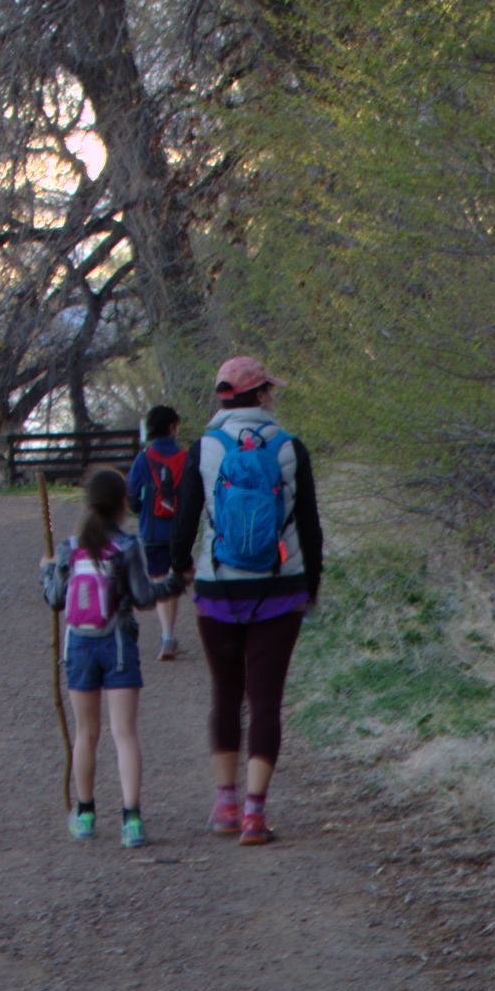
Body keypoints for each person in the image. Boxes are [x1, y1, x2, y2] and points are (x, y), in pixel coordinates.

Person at [169, 356, 323, 845]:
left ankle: (224, 805)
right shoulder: (290, 448)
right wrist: (311, 584)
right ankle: (255, 815)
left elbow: (184, 523)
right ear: (259, 396)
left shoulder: (203, 448)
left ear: (222, 399)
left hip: (218, 589)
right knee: (266, 700)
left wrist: (185, 569)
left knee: (225, 695)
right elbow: (311, 528)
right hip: (281, 589)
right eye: (268, 391)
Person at [40, 465, 183, 847]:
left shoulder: (71, 549)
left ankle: (85, 813)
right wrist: (176, 582)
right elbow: (142, 598)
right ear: (123, 504)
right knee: (124, 734)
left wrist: (47, 571)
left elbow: (55, 598)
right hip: (118, 644)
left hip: (79, 647)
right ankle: (131, 820)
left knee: (86, 733)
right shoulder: (128, 546)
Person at [125, 404, 189, 661]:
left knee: (160, 579)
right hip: (179, 531)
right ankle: (169, 635)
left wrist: (140, 509)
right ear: (173, 427)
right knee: (176, 577)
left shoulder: (144, 458)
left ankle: (166, 636)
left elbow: (130, 492)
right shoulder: (185, 457)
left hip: (152, 530)